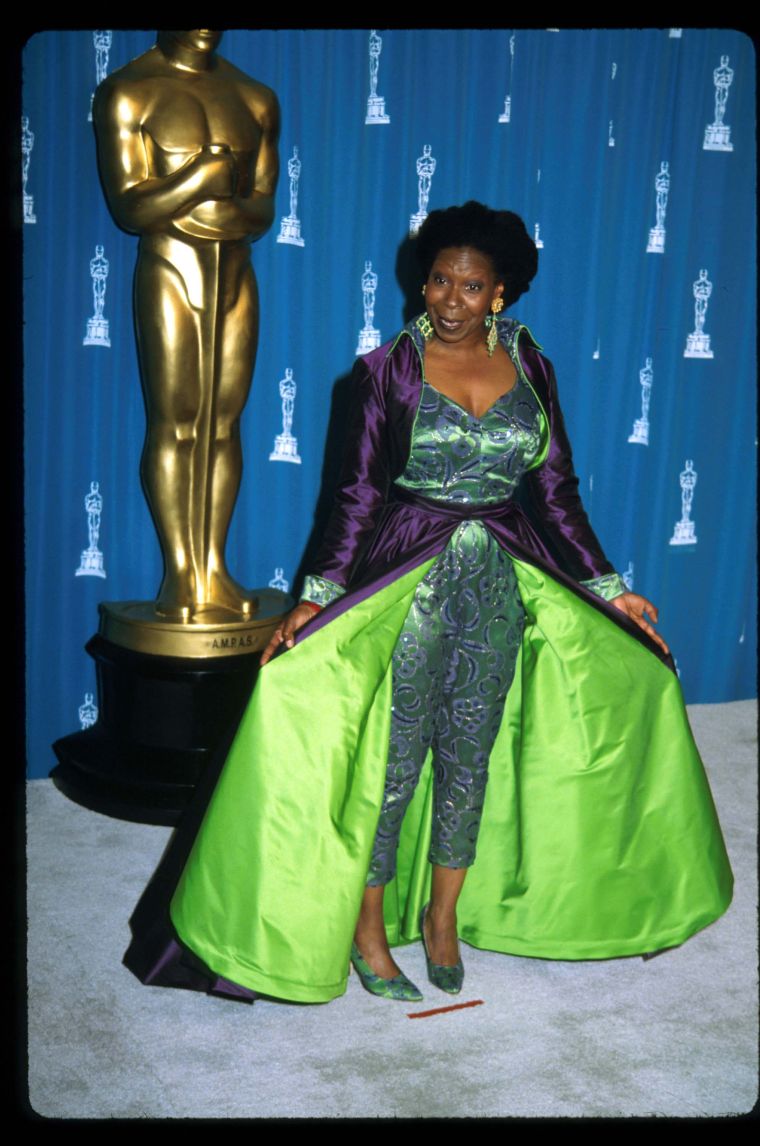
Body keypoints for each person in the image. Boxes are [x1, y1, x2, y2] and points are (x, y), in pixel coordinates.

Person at [134, 203, 732, 1005]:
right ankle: (367, 927)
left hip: (501, 578)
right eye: (440, 280)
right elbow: (355, 496)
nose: (450, 299)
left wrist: (608, 588)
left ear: (501, 293)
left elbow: (556, 491)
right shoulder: (386, 371)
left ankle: (442, 914)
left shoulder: (532, 366)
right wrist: (316, 599)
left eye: (471, 286)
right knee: (393, 761)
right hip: (408, 574)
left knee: (469, 754)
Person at [93, 30, 280, 618]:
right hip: (170, 267)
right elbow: (130, 207)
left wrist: (225, 203)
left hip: (236, 272)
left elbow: (263, 207)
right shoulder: (128, 92)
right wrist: (199, 179)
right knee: (176, 422)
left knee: (223, 423)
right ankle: (181, 572)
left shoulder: (255, 98)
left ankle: (214, 569)